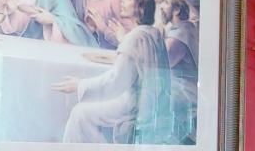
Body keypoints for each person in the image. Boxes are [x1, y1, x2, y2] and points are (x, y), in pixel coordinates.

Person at [52, 24, 181, 143]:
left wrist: (80, 85)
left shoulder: (135, 37)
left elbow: (116, 81)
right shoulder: (148, 32)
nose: (123, 1)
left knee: (80, 113)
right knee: (82, 113)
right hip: (146, 98)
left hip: (134, 101)